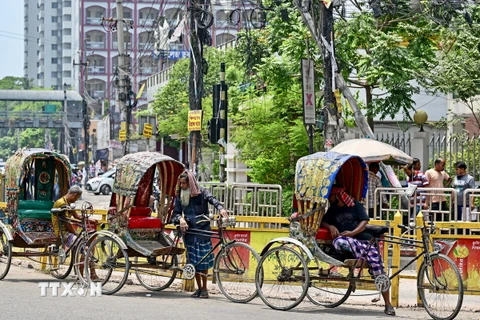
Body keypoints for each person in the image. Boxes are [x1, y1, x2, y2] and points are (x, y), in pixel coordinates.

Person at [321, 186, 395, 316]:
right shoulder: (333, 209)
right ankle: (357, 253)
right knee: (338, 242)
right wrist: (331, 226)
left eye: (331, 196)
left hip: (364, 240)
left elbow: (365, 221)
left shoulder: (355, 205)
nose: (329, 198)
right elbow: (324, 222)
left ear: (338, 196)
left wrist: (352, 233)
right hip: (347, 243)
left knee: (378, 269)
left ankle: (388, 304)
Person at [171, 170, 228, 299]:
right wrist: (181, 219)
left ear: (190, 183)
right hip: (190, 232)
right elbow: (176, 213)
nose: (182, 186)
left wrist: (221, 208)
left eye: (184, 183)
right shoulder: (180, 195)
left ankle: (204, 288)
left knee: (204, 261)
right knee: (194, 262)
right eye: (181, 184)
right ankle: (199, 288)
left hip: (203, 230)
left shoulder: (202, 192)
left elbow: (212, 199)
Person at [52, 186, 98, 278]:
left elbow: (77, 216)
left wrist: (90, 219)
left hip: (69, 231)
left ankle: (92, 273)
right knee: (84, 247)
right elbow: (67, 222)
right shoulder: (61, 204)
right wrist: (75, 233)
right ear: (74, 195)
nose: (76, 200)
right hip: (63, 232)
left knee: (91, 245)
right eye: (77, 198)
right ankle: (80, 272)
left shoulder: (68, 203)